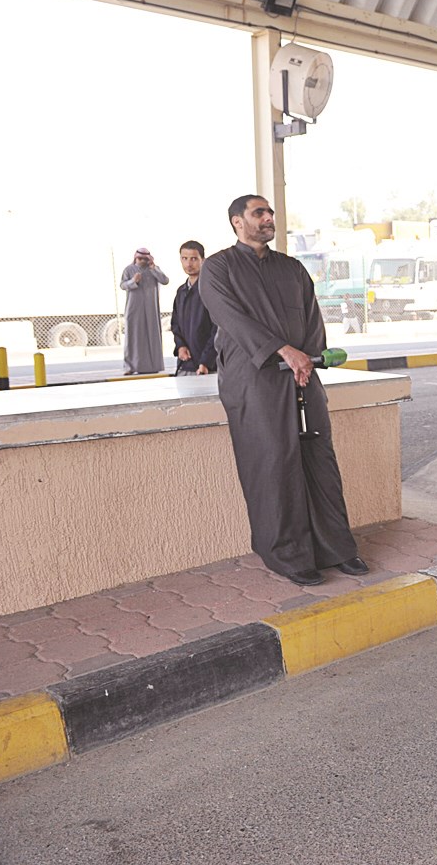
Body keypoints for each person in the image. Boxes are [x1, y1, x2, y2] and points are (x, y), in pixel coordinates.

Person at [198, 195, 369, 587]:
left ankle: (337, 549)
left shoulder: (291, 268)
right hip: (255, 381)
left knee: (319, 459)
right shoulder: (219, 268)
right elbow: (232, 319)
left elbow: (311, 317)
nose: (268, 218)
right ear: (237, 222)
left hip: (303, 375)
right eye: (258, 213)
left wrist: (309, 358)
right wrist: (283, 351)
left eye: (270, 212)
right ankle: (287, 554)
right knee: (273, 464)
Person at [119, 248, 170, 375]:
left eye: (145, 259)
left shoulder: (154, 269)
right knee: (133, 337)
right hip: (134, 308)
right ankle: (130, 367)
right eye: (140, 258)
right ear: (135, 258)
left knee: (152, 336)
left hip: (151, 309)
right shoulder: (129, 270)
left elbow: (165, 280)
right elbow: (123, 285)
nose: (142, 261)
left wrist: (153, 268)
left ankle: (153, 366)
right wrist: (133, 281)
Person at [171, 240, 217, 376]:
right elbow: (175, 324)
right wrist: (180, 346)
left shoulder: (211, 290)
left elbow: (218, 329)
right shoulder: (181, 292)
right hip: (186, 364)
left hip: (209, 367)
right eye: (184, 258)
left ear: (203, 260)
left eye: (194, 259)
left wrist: (206, 361)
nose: (188, 264)